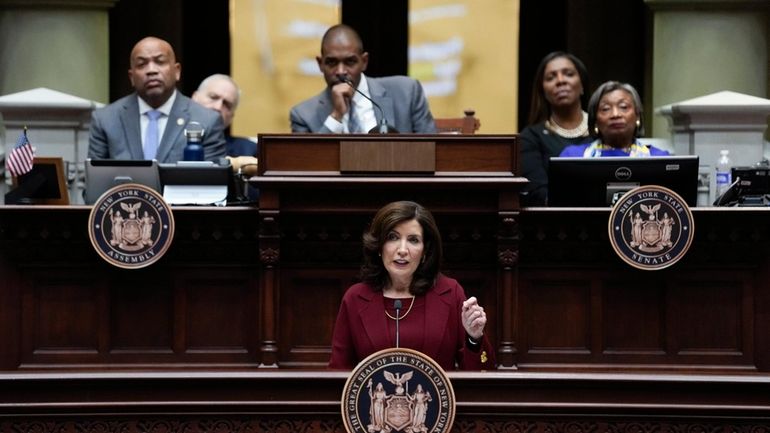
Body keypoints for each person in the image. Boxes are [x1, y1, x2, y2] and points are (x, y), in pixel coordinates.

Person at [328, 200, 495, 371]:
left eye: (413, 240)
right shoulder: (355, 298)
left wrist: (474, 338)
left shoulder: (450, 293)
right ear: (379, 246)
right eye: (392, 237)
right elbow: (338, 373)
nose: (402, 249)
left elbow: (482, 376)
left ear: (425, 251)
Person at [88, 37, 226, 163]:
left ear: (177, 71)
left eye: (160, 62)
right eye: (142, 64)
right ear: (131, 77)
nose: (151, 70)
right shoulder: (106, 120)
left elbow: (212, 184)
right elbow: (94, 184)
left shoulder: (206, 121)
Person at [290, 24, 436, 134]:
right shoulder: (303, 115)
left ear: (364, 61)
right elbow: (310, 165)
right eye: (332, 62)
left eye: (350, 62)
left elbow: (432, 151)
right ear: (320, 64)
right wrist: (336, 116)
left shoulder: (407, 91)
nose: (341, 72)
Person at [519, 52, 592, 206]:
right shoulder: (530, 137)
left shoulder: (603, 131)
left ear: (582, 84)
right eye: (551, 77)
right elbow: (537, 192)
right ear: (543, 91)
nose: (560, 81)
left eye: (569, 74)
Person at [560, 81, 670, 157]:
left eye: (623, 107)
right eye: (605, 109)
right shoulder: (573, 156)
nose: (615, 114)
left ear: (637, 116)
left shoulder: (659, 157)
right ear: (595, 121)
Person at [192, 74, 258, 157]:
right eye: (213, 97)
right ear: (194, 98)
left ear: (231, 116)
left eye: (227, 105)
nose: (218, 107)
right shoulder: (171, 136)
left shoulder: (248, 152)